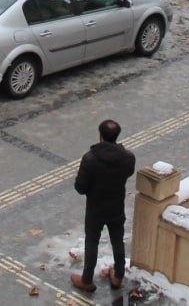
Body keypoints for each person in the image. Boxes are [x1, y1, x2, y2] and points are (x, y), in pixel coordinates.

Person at [69, 120, 135, 293]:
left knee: (91, 242)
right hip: (116, 207)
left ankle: (87, 280)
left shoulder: (90, 158)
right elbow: (129, 172)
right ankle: (118, 275)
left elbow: (80, 188)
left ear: (100, 135)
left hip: (95, 209)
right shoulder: (128, 157)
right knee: (117, 241)